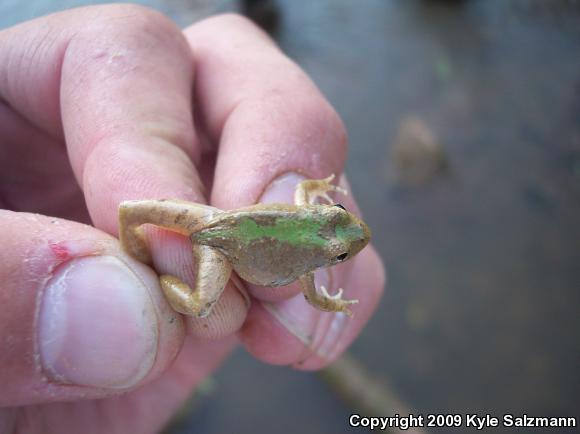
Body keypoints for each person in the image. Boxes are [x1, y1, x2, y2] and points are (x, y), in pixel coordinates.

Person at [0, 5, 385, 433]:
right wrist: (333, 302)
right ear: (326, 222)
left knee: (139, 211)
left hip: (213, 219)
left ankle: (145, 254)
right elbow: (314, 298)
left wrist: (314, 189)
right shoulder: (312, 267)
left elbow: (301, 189)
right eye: (338, 229)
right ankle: (161, 283)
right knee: (200, 301)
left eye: (338, 253)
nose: (341, 250)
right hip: (216, 241)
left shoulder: (305, 205)